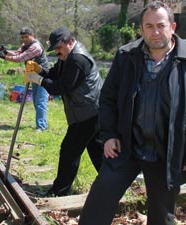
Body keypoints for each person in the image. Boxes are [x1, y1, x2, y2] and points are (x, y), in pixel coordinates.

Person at [78, 2, 186, 225]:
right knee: (97, 205)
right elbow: (107, 98)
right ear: (141, 29)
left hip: (166, 153)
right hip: (127, 147)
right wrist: (108, 135)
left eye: (161, 25)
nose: (155, 31)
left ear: (172, 26)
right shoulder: (126, 56)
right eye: (149, 26)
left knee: (161, 217)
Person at [25, 27, 103, 196]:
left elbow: (60, 87)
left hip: (88, 112)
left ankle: (59, 191)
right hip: (91, 111)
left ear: (70, 42)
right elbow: (55, 74)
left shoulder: (77, 60)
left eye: (59, 48)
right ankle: (114, 183)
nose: (57, 53)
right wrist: (39, 70)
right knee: (98, 151)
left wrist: (37, 80)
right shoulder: (67, 55)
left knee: (69, 151)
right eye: (55, 50)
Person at [0, 27, 50, 132]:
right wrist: (6, 52)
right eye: (23, 37)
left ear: (32, 36)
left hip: (43, 75)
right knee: (36, 100)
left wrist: (5, 57)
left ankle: (42, 127)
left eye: (26, 36)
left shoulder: (36, 47)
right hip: (34, 74)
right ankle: (43, 124)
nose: (24, 39)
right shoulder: (25, 45)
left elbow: (20, 59)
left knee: (41, 101)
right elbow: (17, 54)